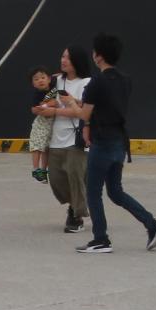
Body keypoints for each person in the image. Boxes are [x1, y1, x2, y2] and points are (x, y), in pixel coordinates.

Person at [71, 33, 156, 253]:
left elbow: (85, 114)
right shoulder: (125, 80)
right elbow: (108, 105)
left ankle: (101, 239)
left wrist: (71, 104)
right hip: (119, 142)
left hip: (102, 142)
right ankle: (152, 224)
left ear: (98, 56)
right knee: (115, 191)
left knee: (93, 193)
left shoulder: (97, 81)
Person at [40, 47, 92, 235]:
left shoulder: (87, 82)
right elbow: (40, 87)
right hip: (55, 137)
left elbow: (85, 109)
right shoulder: (56, 80)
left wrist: (55, 110)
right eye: (62, 56)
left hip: (76, 137)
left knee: (74, 175)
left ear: (77, 61)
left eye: (68, 58)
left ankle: (76, 215)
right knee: (55, 179)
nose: (63, 60)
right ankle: (75, 204)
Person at [26, 67, 58, 182]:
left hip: (53, 123)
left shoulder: (54, 83)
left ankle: (44, 171)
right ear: (33, 84)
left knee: (46, 148)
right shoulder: (37, 94)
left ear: (48, 79)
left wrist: (46, 105)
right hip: (41, 123)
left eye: (43, 77)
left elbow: (57, 75)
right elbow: (34, 110)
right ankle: (36, 169)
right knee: (37, 146)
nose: (40, 80)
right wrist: (44, 107)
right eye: (36, 79)